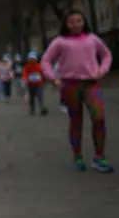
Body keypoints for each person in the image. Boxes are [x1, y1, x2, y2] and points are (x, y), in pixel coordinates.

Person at [41, 9, 113, 172]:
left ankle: (99, 156)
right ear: (66, 24)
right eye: (72, 22)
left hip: (91, 83)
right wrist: (53, 78)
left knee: (99, 118)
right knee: (76, 121)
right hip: (70, 85)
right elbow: (45, 60)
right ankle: (77, 156)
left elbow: (107, 54)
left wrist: (103, 70)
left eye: (79, 21)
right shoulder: (60, 42)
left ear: (84, 22)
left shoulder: (93, 39)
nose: (76, 25)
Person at [22, 51, 48, 115]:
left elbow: (43, 74)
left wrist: (44, 80)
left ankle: (42, 108)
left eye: (33, 59)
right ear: (28, 59)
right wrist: (25, 79)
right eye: (31, 59)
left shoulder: (39, 66)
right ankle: (32, 109)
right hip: (30, 84)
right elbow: (24, 73)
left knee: (40, 96)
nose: (32, 60)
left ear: (36, 59)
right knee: (32, 97)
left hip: (38, 84)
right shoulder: (27, 66)